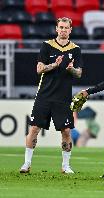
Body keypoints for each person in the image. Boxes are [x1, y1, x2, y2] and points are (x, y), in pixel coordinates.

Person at [19, 17, 83, 174]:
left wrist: (71, 69)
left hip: (63, 97)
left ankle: (66, 166)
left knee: (66, 131)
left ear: (70, 30)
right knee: (34, 128)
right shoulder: (47, 46)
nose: (63, 30)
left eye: (66, 28)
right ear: (56, 29)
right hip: (44, 95)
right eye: (60, 27)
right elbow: (39, 69)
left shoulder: (75, 49)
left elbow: (79, 73)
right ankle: (26, 164)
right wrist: (54, 65)